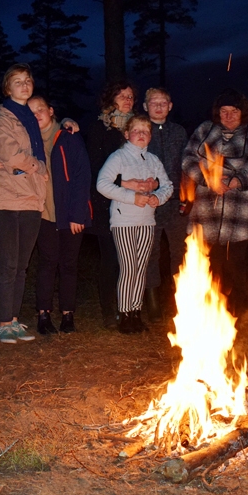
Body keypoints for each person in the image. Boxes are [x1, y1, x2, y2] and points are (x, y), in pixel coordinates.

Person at [182, 88, 248, 313]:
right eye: (224, 111)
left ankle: (236, 319)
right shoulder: (205, 131)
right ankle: (205, 316)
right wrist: (209, 180)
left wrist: (238, 181)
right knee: (208, 269)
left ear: (242, 113)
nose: (229, 116)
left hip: (240, 218)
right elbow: (187, 160)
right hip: (207, 217)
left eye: (234, 111)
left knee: (236, 270)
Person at [0, 64, 47, 343]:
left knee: (21, 265)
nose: (24, 85)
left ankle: (15, 318)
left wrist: (31, 168)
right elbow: (11, 155)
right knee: (7, 263)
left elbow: (27, 156)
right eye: (17, 81)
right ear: (7, 88)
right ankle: (4, 321)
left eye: (28, 80)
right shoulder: (1, 118)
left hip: (31, 200)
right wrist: (37, 166)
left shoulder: (30, 119)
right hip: (4, 200)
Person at [96, 115, 173, 334]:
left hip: (147, 220)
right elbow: (102, 184)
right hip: (124, 221)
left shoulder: (153, 160)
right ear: (127, 134)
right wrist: (132, 197)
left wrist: (158, 197)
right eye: (137, 130)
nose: (141, 134)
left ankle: (135, 312)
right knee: (129, 267)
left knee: (141, 269)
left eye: (146, 131)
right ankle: (124, 313)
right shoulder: (118, 157)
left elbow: (167, 185)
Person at [29, 95, 92, 334]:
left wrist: (78, 214)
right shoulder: (29, 141)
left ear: (50, 110)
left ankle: (68, 314)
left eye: (40, 110)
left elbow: (81, 175)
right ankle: (43, 314)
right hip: (43, 214)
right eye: (31, 112)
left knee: (69, 264)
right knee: (46, 263)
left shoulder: (68, 138)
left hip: (69, 215)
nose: (37, 115)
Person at [86, 80, 137, 327]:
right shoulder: (100, 128)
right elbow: (95, 167)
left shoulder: (139, 129)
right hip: (106, 202)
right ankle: (109, 311)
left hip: (135, 204)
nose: (127, 100)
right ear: (111, 100)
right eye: (122, 95)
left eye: (130, 96)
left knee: (130, 259)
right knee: (111, 258)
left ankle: (129, 308)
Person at [141, 87, 189, 317]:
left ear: (170, 106)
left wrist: (187, 198)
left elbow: (188, 167)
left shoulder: (179, 132)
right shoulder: (139, 131)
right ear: (145, 106)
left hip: (176, 204)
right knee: (150, 253)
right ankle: (152, 305)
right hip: (148, 204)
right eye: (153, 103)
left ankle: (179, 303)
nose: (159, 107)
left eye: (163, 103)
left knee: (179, 253)